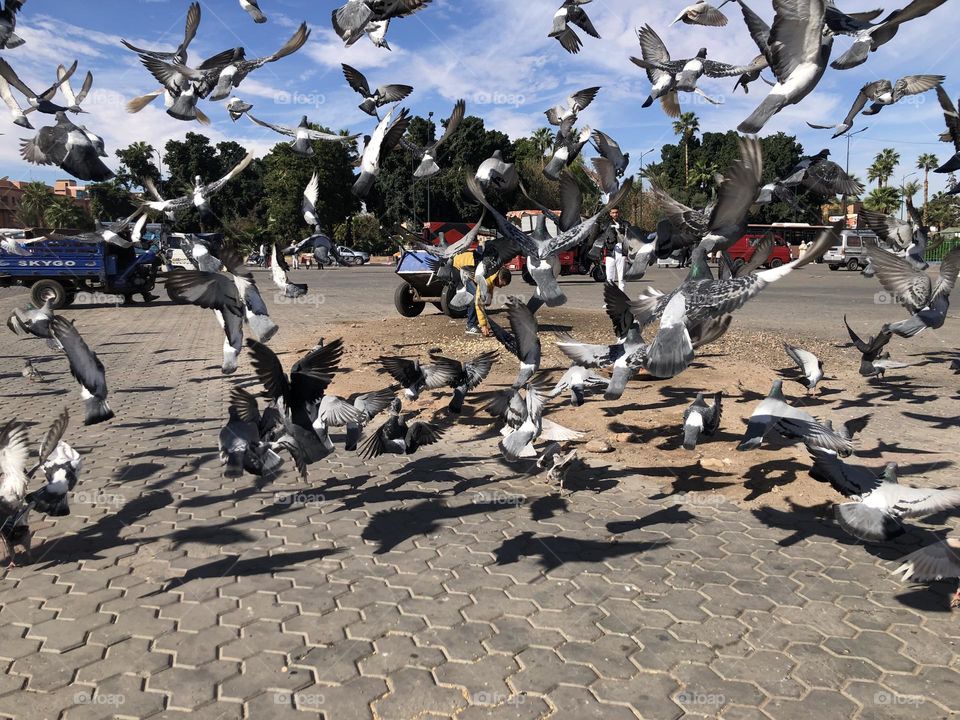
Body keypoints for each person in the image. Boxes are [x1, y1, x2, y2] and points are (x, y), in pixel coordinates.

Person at [602, 207, 631, 291]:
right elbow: (602, 234)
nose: (615, 214)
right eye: (613, 213)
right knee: (609, 277)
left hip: (621, 250)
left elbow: (629, 234)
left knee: (621, 277)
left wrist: (620, 228)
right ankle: (610, 301)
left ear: (619, 213)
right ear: (610, 214)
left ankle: (621, 298)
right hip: (610, 250)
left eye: (616, 212)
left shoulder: (625, 223)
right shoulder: (606, 224)